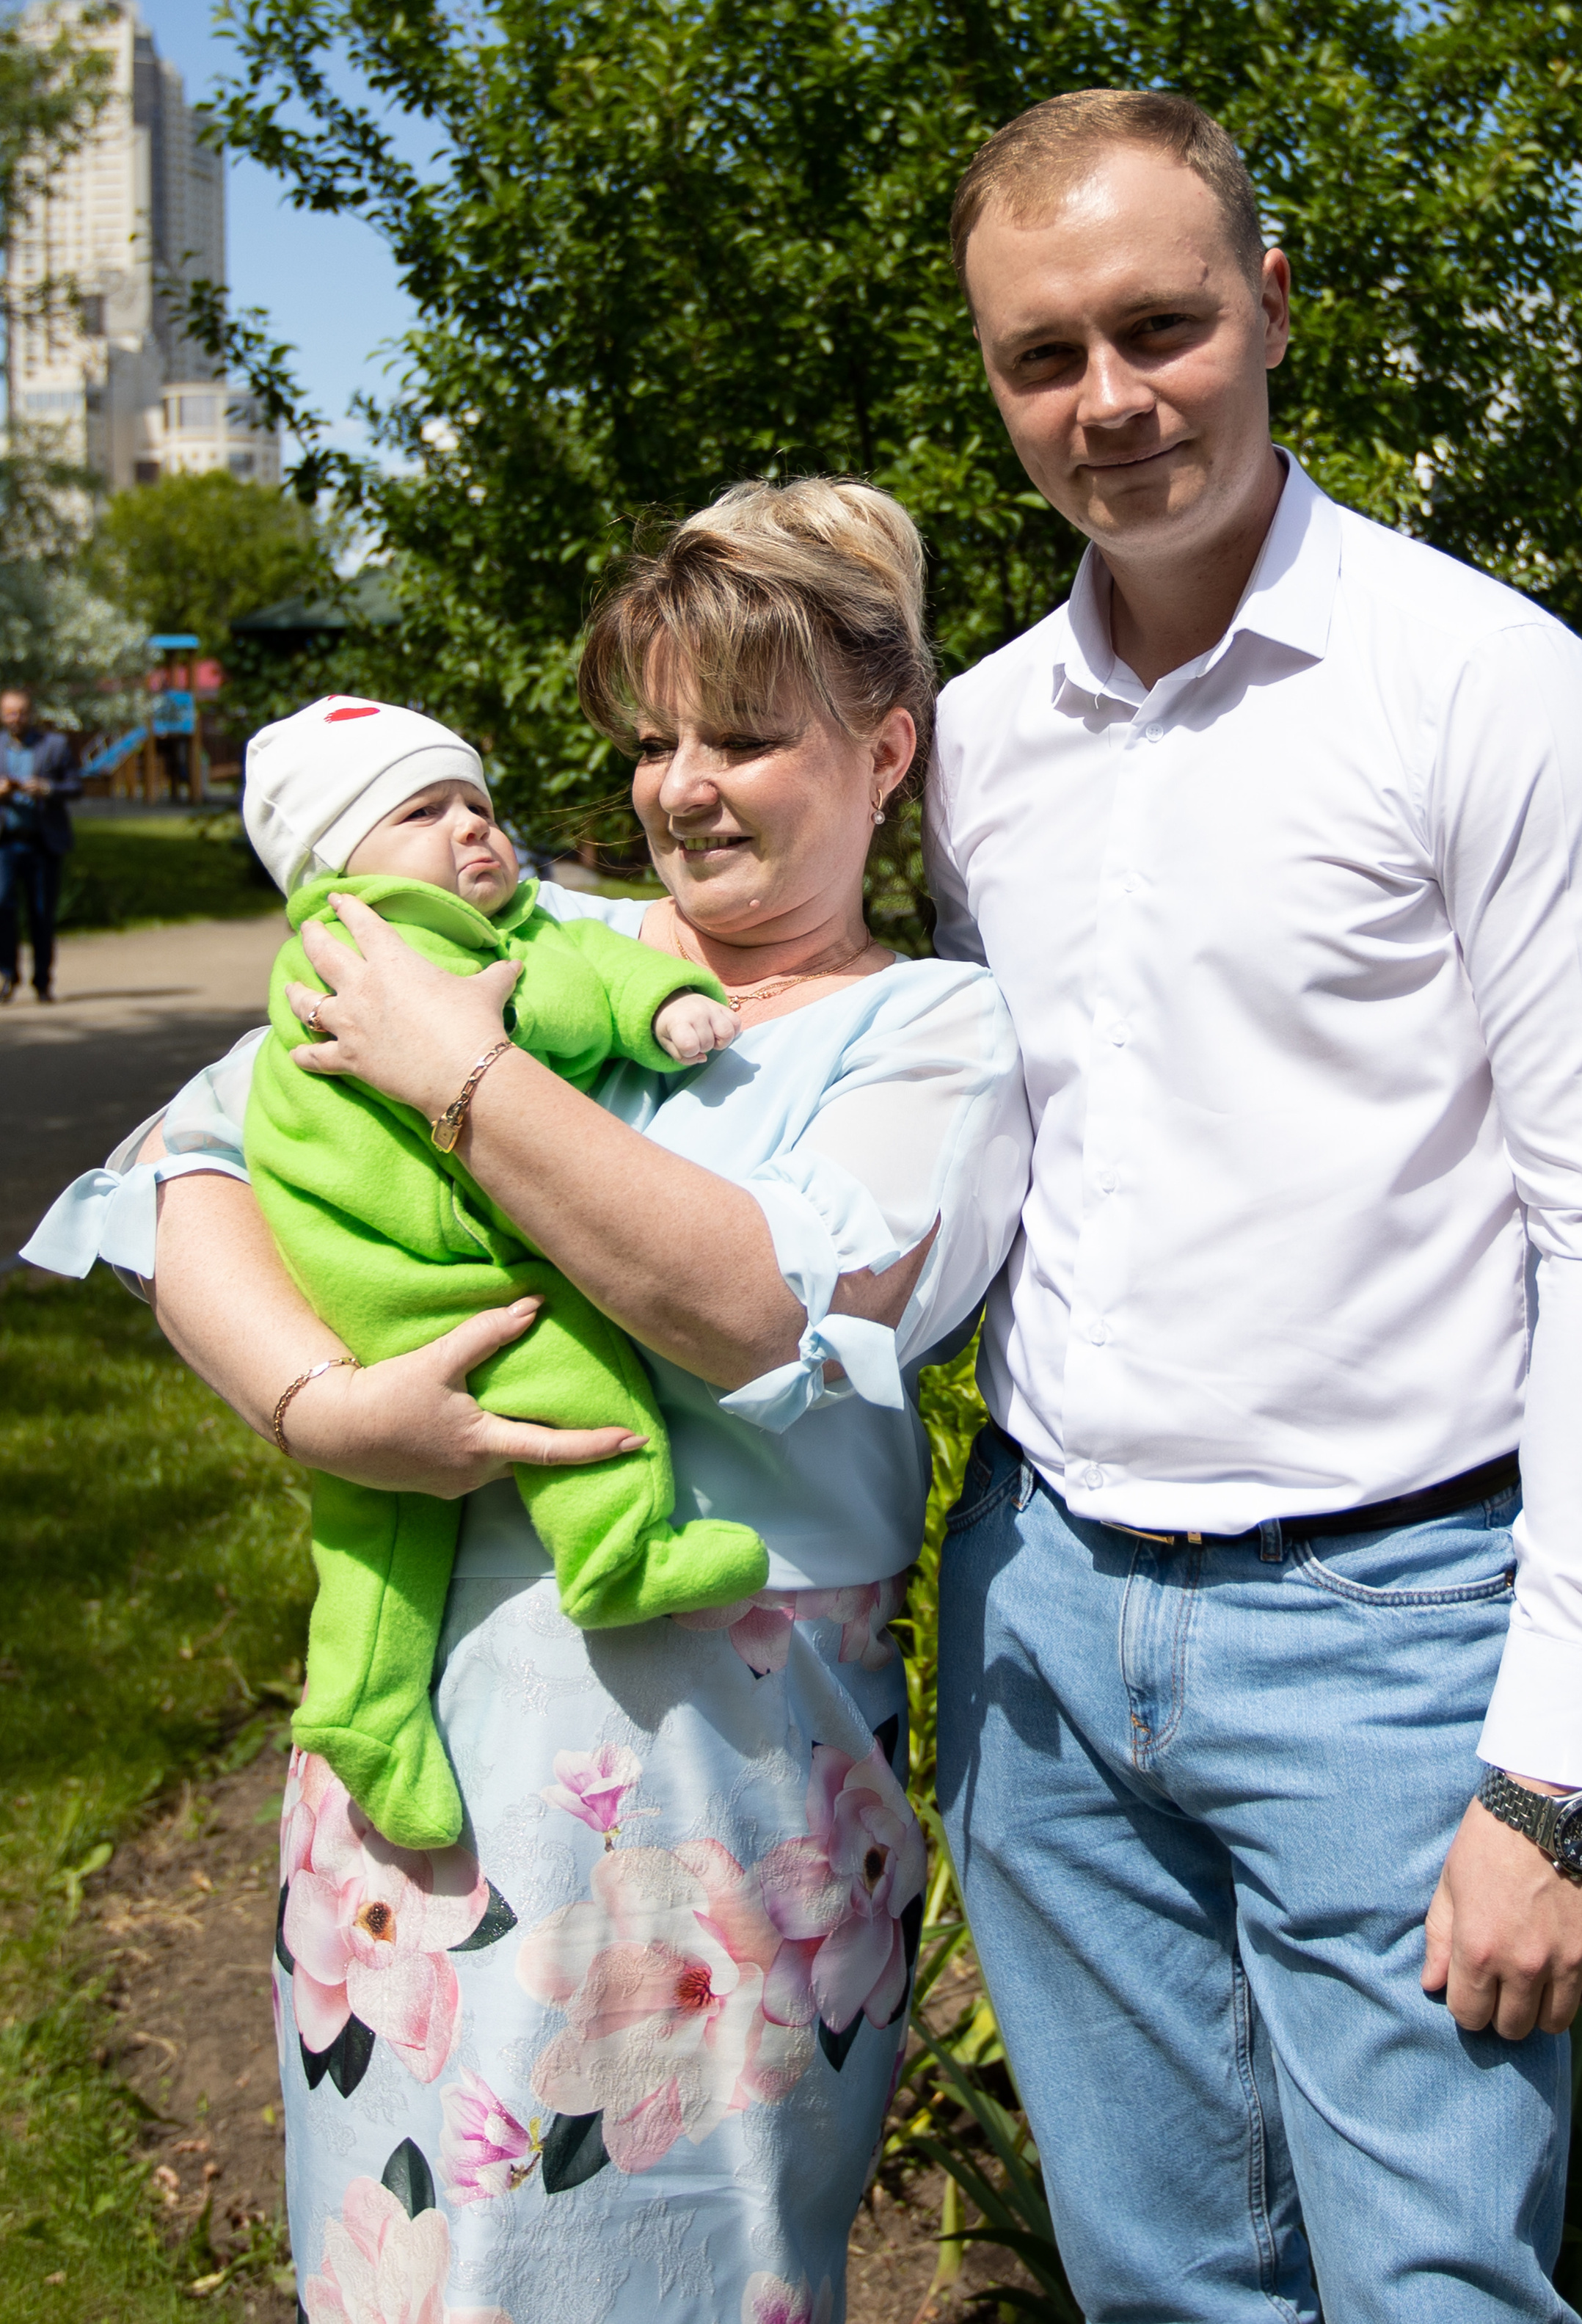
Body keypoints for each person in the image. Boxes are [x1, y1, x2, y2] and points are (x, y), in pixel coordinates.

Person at [26, 478, 1029, 2322]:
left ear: (885, 752)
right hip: (431, 1724)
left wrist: (465, 1075)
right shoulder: (525, 938)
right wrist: (322, 1408)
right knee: (412, 2261)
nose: (679, 786)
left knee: (683, 2267)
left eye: (742, 735)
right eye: (652, 739)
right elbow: (190, 1163)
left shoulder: (932, 1032)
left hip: (728, 1787)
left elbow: (750, 1304)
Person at [925, 89, 1582, 2323]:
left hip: (1394, 1628)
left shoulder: (1486, 694)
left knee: (1434, 2291)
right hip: (1047, 1625)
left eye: (1158, 325)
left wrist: (1554, 1774)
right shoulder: (973, 751)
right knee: (1162, 2286)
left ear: (1271, 308)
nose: (1109, 399)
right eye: (1040, 355)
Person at [221, 692, 765, 1850]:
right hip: (430, 1267)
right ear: (336, 856)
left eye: (480, 803)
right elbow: (566, 992)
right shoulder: (390, 940)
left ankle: (361, 1709)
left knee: (376, 1526)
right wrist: (646, 1011)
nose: (474, 829)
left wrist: (664, 994)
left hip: (342, 1296)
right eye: (426, 809)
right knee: (567, 1363)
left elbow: (586, 958)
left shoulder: (468, 925)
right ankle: (619, 1552)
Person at [0, 684, 81, 1003]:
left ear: (31, 714)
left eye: (20, 712)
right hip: (6, 843)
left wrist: (46, 789)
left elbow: (76, 787)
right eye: (9, 713)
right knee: (2, 907)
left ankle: (42, 981)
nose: (15, 718)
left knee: (41, 913)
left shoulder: (54, 746)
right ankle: (7, 975)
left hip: (44, 844)